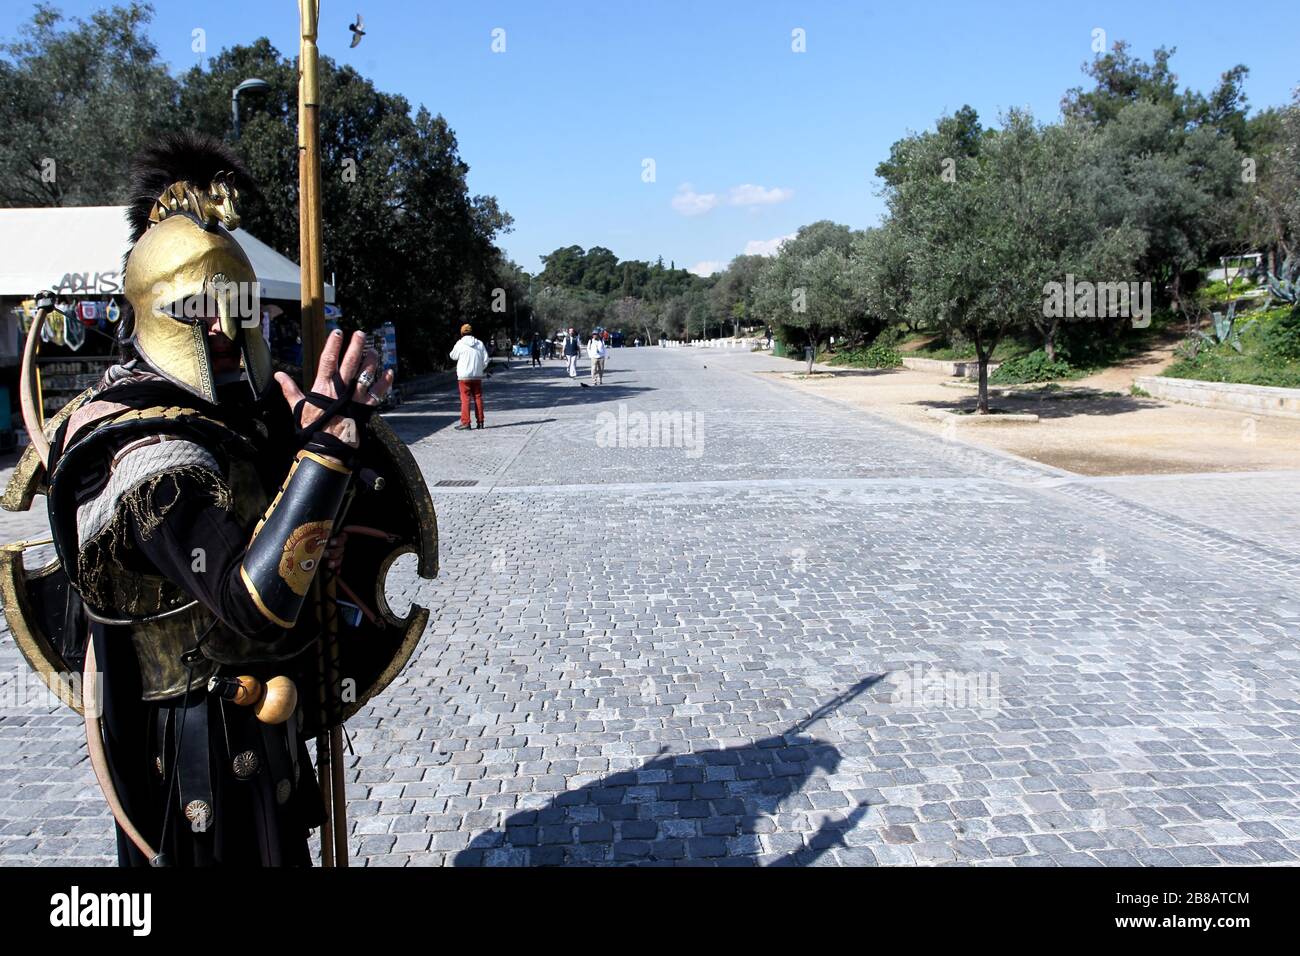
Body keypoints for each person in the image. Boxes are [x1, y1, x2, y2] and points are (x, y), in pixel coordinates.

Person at [30, 133, 400, 867]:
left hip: (260, 727)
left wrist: (320, 447)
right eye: (204, 306)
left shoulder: (222, 412)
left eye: (239, 305)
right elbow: (252, 600)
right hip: (197, 753)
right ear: (158, 308)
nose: (228, 329)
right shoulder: (140, 451)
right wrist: (326, 454)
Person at [450, 323, 488, 430]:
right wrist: (480, 369)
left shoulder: (460, 343)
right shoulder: (479, 343)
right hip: (477, 376)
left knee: (465, 399)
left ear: (462, 333)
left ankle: (466, 423)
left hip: (464, 376)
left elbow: (452, 356)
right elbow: (486, 360)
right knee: (478, 397)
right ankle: (480, 422)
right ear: (472, 332)